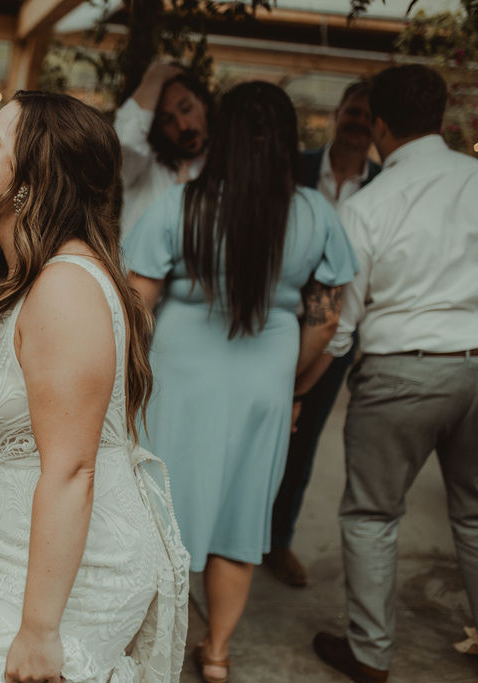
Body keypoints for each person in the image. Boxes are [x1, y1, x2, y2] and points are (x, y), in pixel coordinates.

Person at [0, 91, 189, 682]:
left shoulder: (64, 288)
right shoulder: (30, 276)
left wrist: (40, 631)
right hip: (20, 549)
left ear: (32, 180)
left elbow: (71, 468)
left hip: (82, 569)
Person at [124, 81, 358, 683]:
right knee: (239, 519)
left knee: (159, 513)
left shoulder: (182, 205)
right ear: (288, 139)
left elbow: (136, 303)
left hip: (179, 375)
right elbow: (325, 320)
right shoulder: (315, 213)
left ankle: (148, 643)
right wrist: (294, 390)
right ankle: (219, 654)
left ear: (224, 135)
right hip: (264, 381)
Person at [311, 64, 478, 683]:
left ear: (379, 123)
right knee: (477, 513)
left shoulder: (368, 203)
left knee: (373, 515)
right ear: (440, 117)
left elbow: (342, 320)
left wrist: (304, 384)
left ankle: (371, 653)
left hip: (400, 372)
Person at [264, 79, 382, 588]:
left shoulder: (384, 184)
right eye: (351, 112)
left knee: (303, 438)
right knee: (255, 430)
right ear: (338, 114)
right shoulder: (298, 168)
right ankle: (230, 533)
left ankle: (278, 539)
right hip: (276, 317)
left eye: (367, 116)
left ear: (379, 127)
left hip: (335, 330)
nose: (357, 122)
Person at [114, 60, 211, 239]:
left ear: (202, 102)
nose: (182, 126)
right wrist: (155, 76)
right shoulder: (142, 168)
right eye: (167, 120)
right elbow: (125, 141)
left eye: (186, 109)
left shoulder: (228, 165)